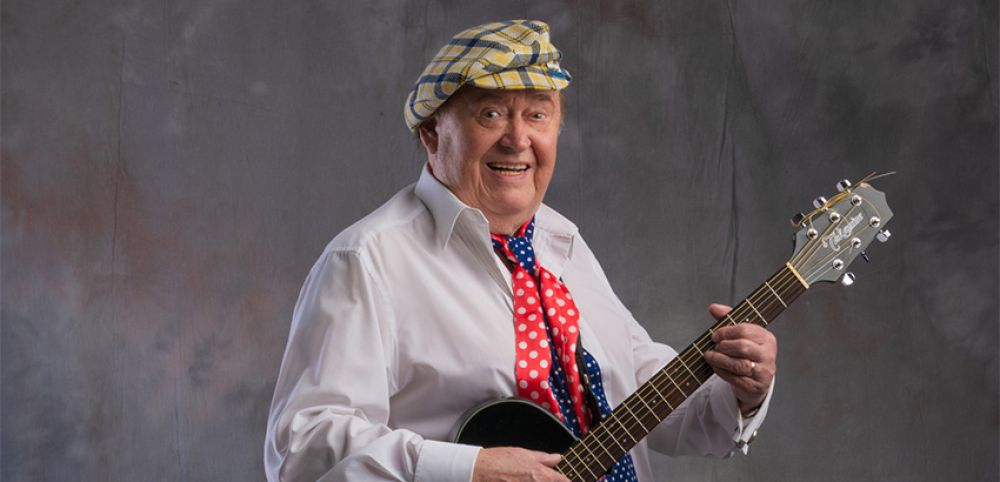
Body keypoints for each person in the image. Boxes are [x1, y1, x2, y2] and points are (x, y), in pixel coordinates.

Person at [264, 19, 777, 482]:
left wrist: (740, 391)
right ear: (431, 132)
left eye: (537, 115)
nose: (517, 139)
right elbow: (303, 449)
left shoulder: (561, 245)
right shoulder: (367, 260)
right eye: (490, 114)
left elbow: (640, 397)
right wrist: (469, 470)